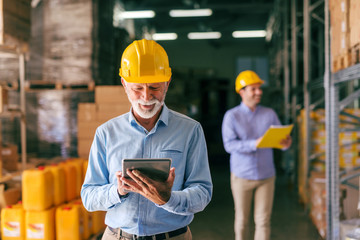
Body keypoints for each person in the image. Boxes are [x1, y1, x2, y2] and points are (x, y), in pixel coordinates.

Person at [81, 39, 213, 240]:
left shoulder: (190, 131)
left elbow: (203, 193)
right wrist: (117, 191)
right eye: (137, 88)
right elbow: (89, 197)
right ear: (124, 84)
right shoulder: (106, 133)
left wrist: (168, 199)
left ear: (167, 83)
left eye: (154, 87)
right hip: (118, 236)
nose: (146, 96)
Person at [221, 70, 292, 240]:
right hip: (242, 176)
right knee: (242, 220)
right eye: (253, 89)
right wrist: (255, 143)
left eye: (259, 88)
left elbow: (280, 140)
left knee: (263, 220)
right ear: (241, 92)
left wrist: (285, 144)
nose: (259, 92)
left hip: (266, 176)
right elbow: (229, 145)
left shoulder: (270, 114)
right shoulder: (232, 116)